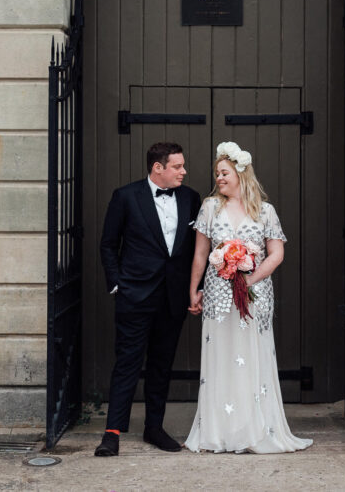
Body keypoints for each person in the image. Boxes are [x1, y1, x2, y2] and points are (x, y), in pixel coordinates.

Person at [185, 141, 312, 454]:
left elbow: (276, 253)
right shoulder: (210, 207)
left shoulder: (264, 211)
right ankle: (219, 431)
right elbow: (201, 253)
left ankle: (254, 430)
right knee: (221, 360)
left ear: (241, 173)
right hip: (217, 295)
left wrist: (248, 280)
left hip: (254, 297)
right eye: (217, 173)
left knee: (251, 359)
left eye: (224, 172)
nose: (219, 178)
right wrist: (193, 288)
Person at [95, 141, 202, 457]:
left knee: (161, 365)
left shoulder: (191, 198)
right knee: (127, 363)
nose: (184, 171)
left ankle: (154, 428)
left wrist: (195, 288)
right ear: (159, 167)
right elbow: (108, 244)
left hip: (173, 297)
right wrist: (117, 285)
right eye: (178, 166)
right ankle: (112, 434)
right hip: (135, 296)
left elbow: (198, 247)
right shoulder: (126, 196)